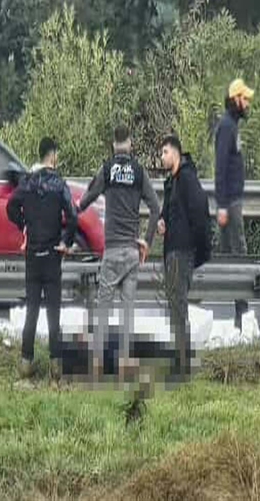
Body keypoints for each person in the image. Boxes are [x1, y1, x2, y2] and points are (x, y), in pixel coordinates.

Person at [76, 125, 160, 378]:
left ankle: (100, 362)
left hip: (112, 250)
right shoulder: (138, 171)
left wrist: (74, 211)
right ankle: (125, 362)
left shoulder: (108, 169)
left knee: (103, 305)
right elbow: (156, 208)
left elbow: (87, 198)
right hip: (132, 251)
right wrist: (147, 241)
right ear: (130, 143)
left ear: (114, 144)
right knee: (127, 308)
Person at [6, 137, 76, 378]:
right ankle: (56, 366)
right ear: (53, 155)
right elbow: (73, 216)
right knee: (53, 311)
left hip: (33, 254)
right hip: (52, 255)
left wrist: (24, 224)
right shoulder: (59, 184)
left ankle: (26, 362)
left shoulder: (28, 183)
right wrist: (65, 241)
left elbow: (11, 207)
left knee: (32, 310)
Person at [157, 135, 212, 379]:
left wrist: (199, 251)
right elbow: (168, 210)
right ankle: (180, 361)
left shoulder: (187, 179)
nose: (162, 157)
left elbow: (200, 213)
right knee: (174, 306)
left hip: (182, 251)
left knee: (178, 306)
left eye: (165, 152)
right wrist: (162, 220)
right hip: (172, 251)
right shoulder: (173, 182)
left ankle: (182, 367)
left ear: (176, 153)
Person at [215, 77, 254, 329]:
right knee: (237, 255)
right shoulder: (227, 127)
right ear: (235, 99)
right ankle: (242, 316)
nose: (248, 103)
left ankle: (241, 315)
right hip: (230, 203)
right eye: (245, 98)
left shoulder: (232, 125)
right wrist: (222, 205)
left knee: (229, 255)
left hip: (231, 201)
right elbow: (220, 168)